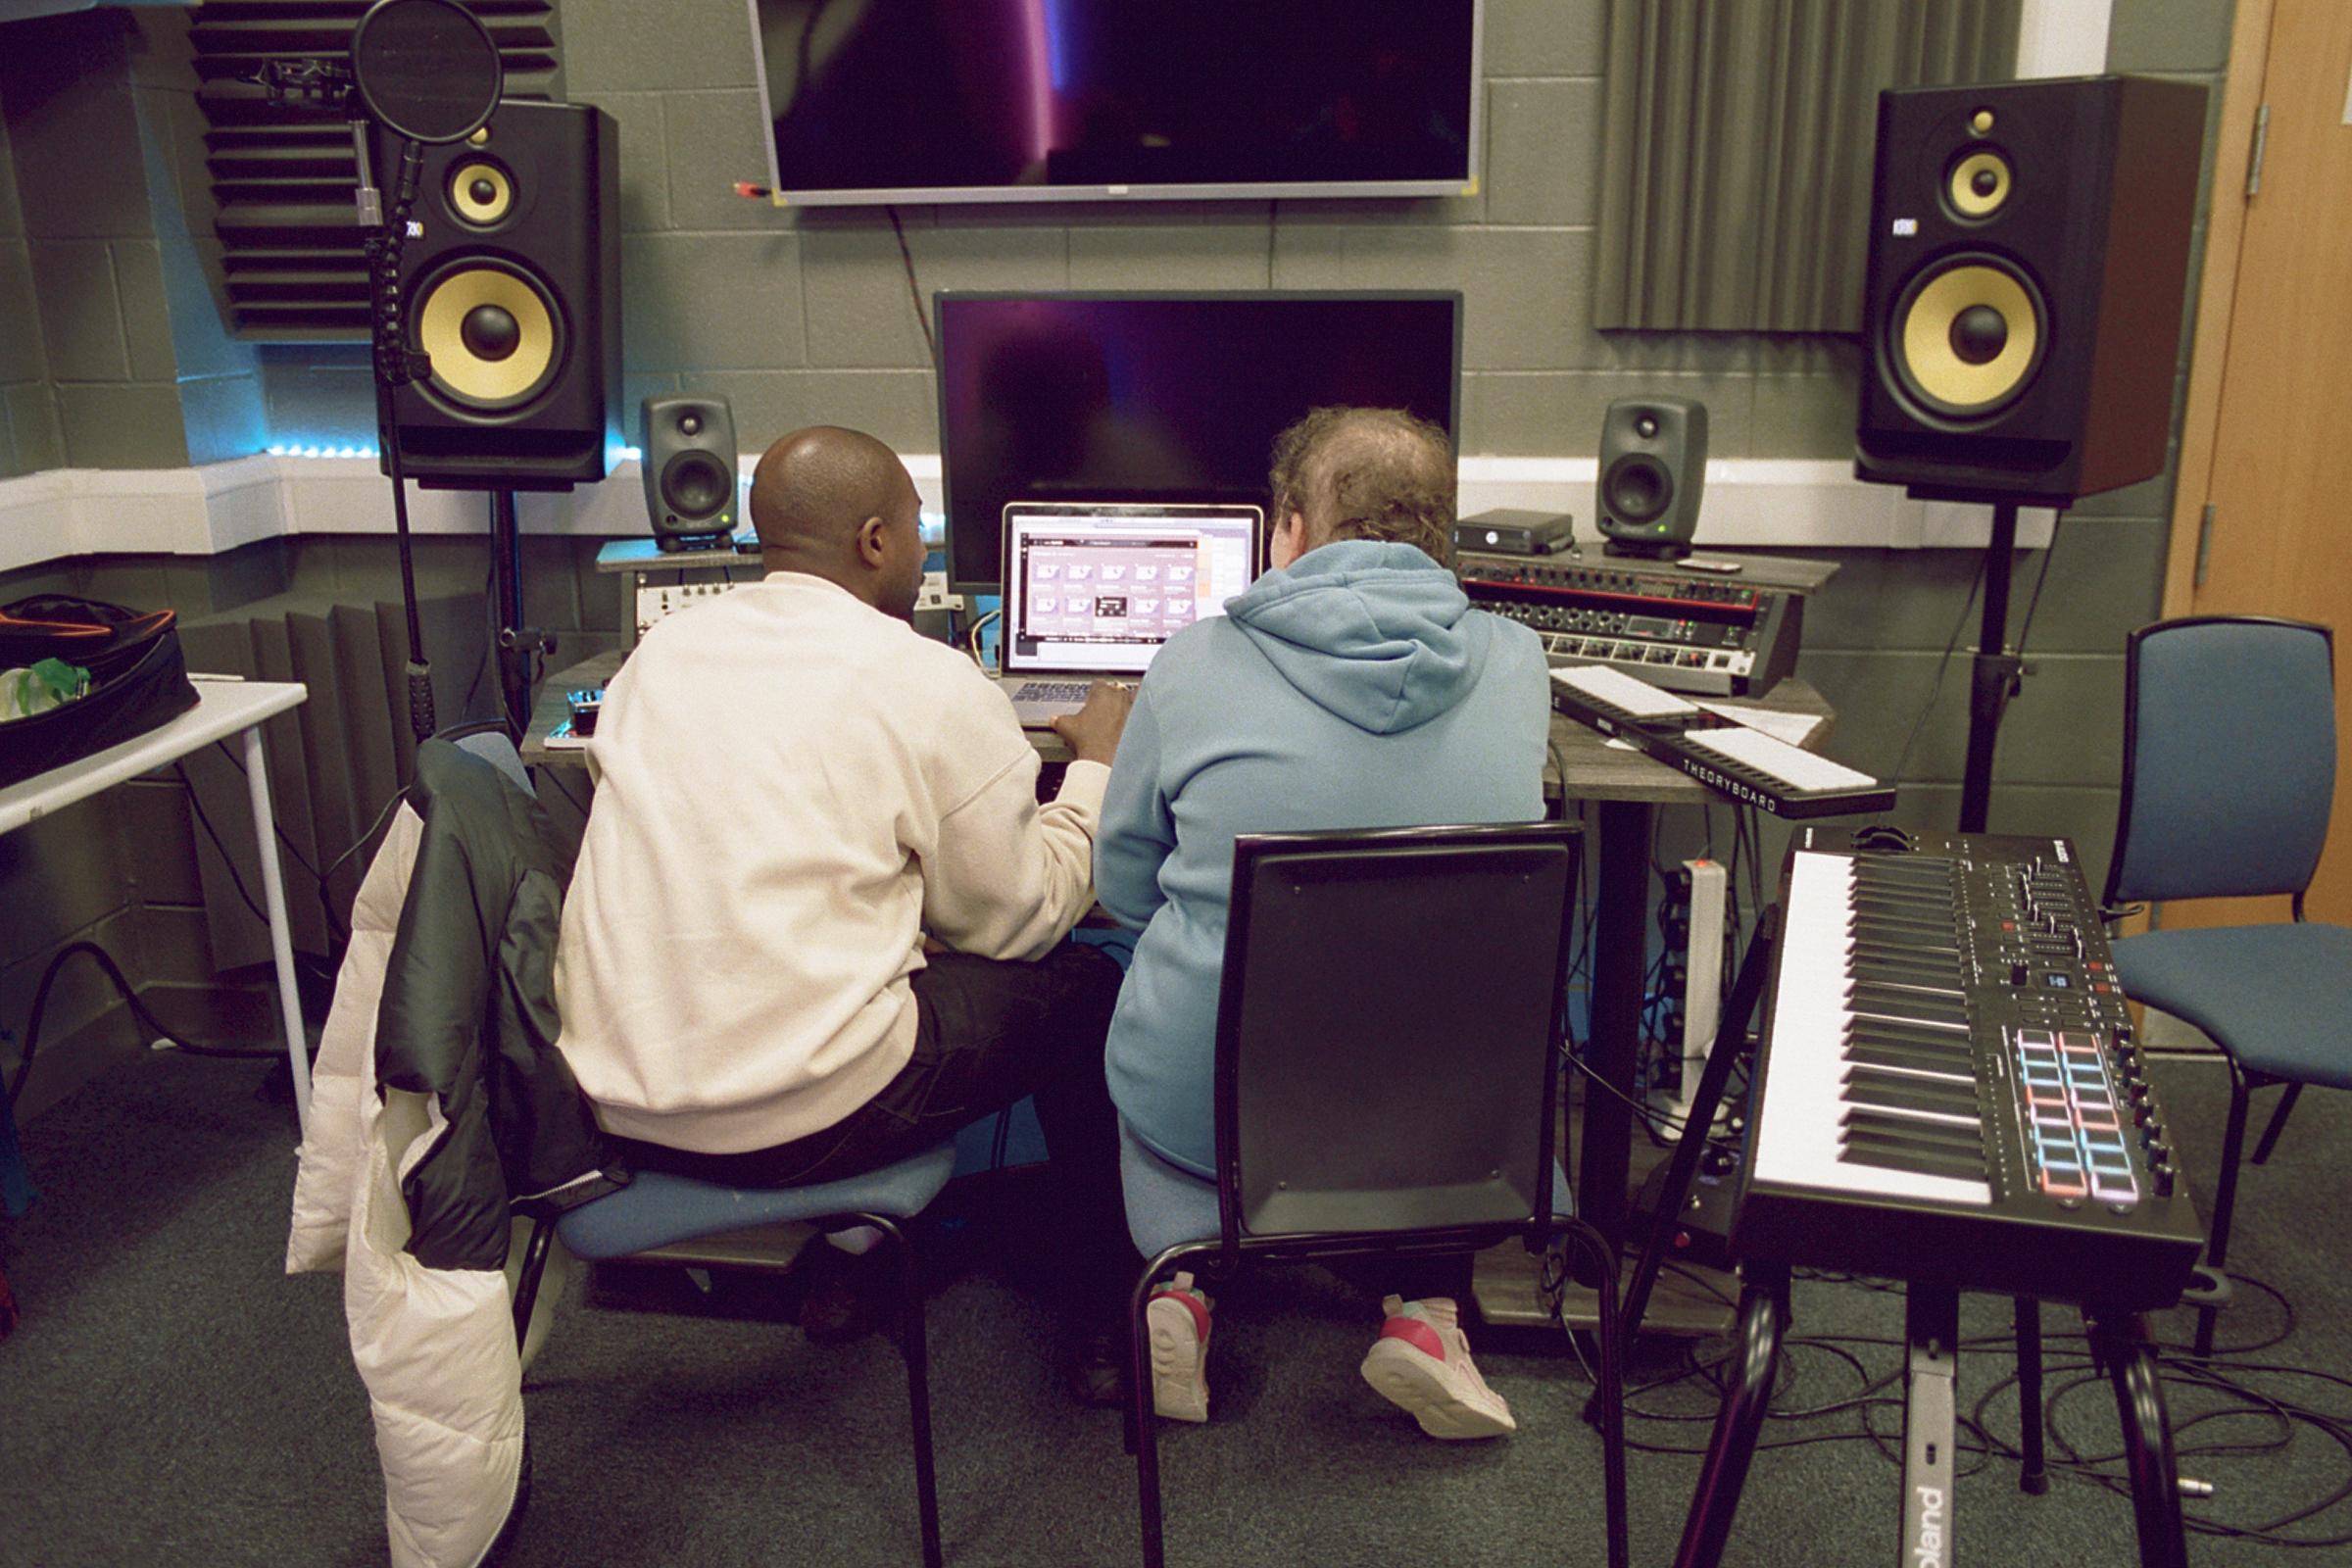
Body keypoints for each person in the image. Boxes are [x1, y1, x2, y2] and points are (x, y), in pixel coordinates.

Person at [554, 424, 1139, 1399]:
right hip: (805, 1115)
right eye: (918, 533)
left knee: (873, 949)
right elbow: (1019, 919)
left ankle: (855, 1258)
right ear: (875, 541)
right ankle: (1108, 1322)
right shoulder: (925, 679)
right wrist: (1094, 773)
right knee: (1084, 987)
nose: (924, 554)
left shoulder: (662, 656)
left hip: (615, 1099)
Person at [1094, 405, 1551, 1438]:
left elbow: (1122, 883)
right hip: (1449, 1126)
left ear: (1287, 527)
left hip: (1209, 1122)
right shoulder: (1520, 663)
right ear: (1439, 531)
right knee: (1419, 1017)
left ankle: (1178, 1288)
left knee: (1126, 987)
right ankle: (1428, 1318)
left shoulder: (1192, 662)